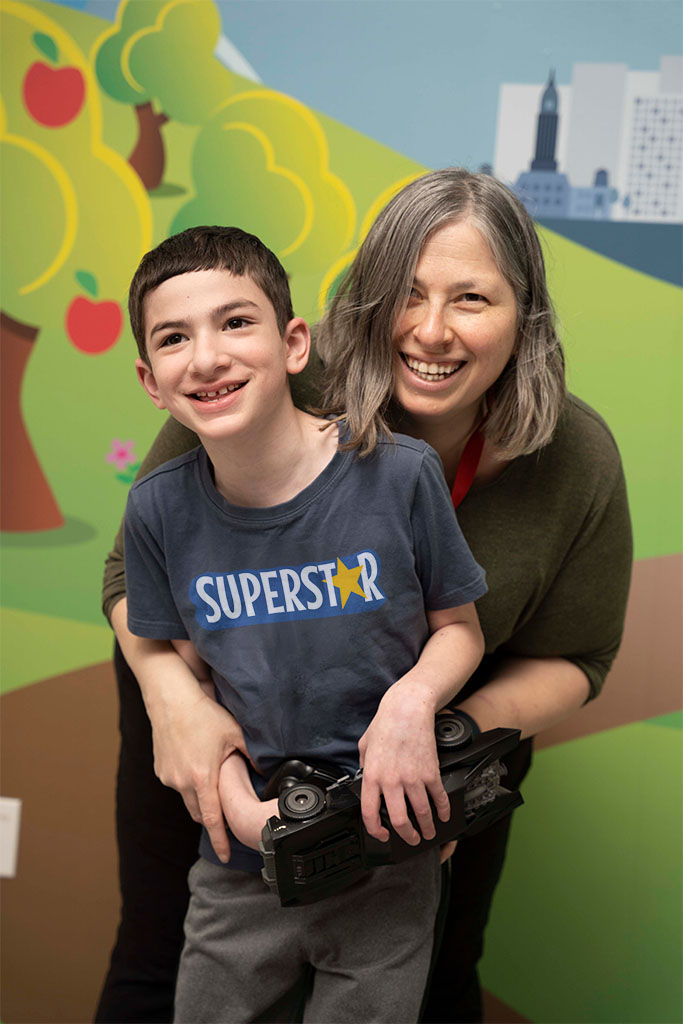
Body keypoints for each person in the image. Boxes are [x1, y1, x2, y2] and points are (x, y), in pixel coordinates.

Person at [96, 169, 632, 1024]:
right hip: (224, 691)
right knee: (164, 955)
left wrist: (433, 739)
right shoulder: (259, 375)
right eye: (407, 295)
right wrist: (178, 706)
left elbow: (578, 656)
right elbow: (133, 576)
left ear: (522, 317)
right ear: (363, 302)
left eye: (471, 300)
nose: (430, 331)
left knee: (437, 969)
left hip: (450, 722)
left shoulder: (574, 458)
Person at [119, 223, 488, 1023]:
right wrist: (247, 820)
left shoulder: (399, 476)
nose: (207, 356)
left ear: (294, 344)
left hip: (390, 853)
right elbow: (190, 687)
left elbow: (461, 629)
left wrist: (411, 702)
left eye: (235, 321)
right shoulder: (156, 511)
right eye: (175, 338)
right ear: (152, 382)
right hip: (239, 862)